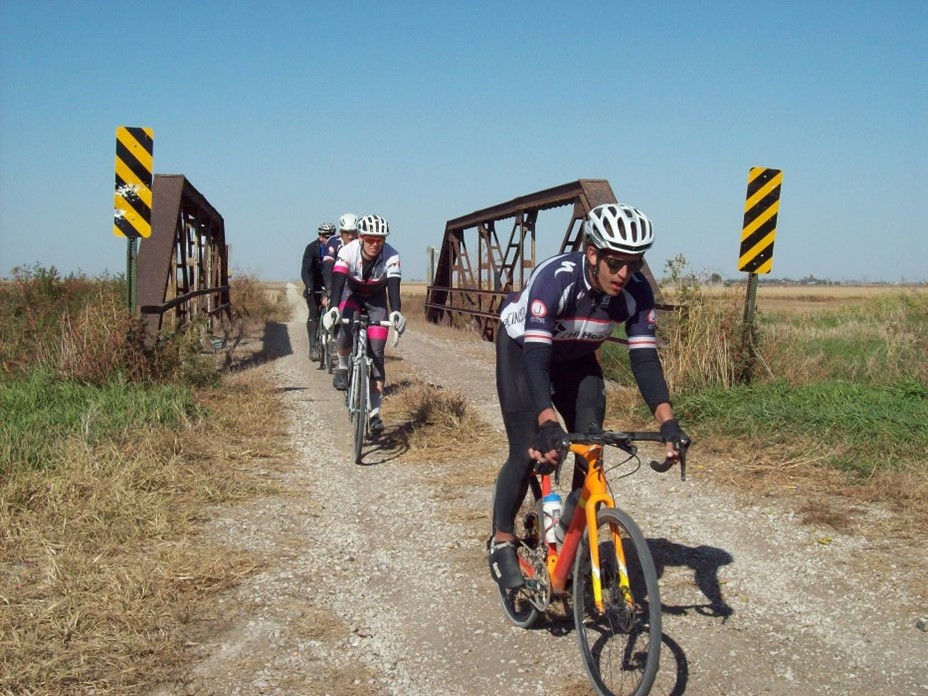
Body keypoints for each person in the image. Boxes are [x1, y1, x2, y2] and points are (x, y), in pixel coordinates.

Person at [487, 203, 691, 589]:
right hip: (523, 353)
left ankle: (567, 526)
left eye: (634, 262)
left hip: (578, 360)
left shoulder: (635, 290)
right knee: (526, 447)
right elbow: (535, 358)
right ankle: (501, 541)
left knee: (591, 445)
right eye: (615, 263)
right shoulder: (556, 279)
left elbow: (645, 360)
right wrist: (546, 421)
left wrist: (668, 421)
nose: (625, 273)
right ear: (593, 253)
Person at [322, 214, 406, 436]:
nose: (374, 244)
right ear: (360, 237)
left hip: (377, 301)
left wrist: (396, 312)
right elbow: (339, 281)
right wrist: (332, 308)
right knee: (346, 332)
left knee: (377, 352)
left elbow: (394, 286)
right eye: (370, 239)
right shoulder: (347, 252)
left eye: (379, 240)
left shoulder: (392, 255)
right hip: (352, 296)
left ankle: (375, 413)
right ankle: (342, 366)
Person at [301, 222, 336, 361]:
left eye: (329, 236)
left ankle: (333, 340)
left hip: (331, 283)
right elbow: (305, 270)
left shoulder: (338, 248)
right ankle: (313, 346)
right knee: (314, 312)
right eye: (323, 236)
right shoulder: (311, 248)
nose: (325, 239)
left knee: (337, 311)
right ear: (319, 236)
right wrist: (309, 287)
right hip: (315, 283)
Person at [322, 213, 360, 307]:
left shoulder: (363, 243)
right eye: (346, 233)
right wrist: (330, 291)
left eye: (353, 232)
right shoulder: (334, 242)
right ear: (340, 232)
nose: (350, 237)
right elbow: (328, 267)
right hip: (336, 281)